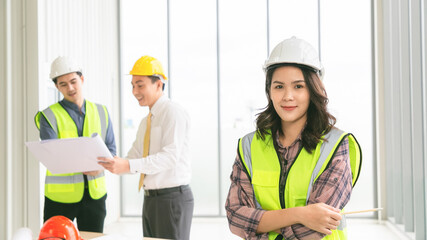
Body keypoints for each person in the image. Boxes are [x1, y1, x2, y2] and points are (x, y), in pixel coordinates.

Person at [225, 36, 362, 240]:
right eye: (279, 86)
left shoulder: (335, 145)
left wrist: (261, 224)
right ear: (269, 91)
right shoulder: (249, 145)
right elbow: (235, 217)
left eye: (298, 86)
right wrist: (301, 214)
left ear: (313, 90)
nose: (288, 96)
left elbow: (315, 228)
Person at [98, 55, 194, 240]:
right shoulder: (146, 122)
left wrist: (127, 165)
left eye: (140, 85)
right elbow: (133, 156)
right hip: (152, 199)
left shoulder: (173, 113)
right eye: (133, 85)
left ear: (158, 84)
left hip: (172, 200)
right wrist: (109, 163)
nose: (135, 91)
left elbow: (170, 157)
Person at [35, 56, 116, 233]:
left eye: (73, 81)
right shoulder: (48, 116)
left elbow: (111, 150)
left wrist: (100, 168)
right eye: (63, 84)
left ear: (82, 79)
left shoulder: (101, 112)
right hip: (60, 199)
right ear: (56, 87)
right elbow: (53, 156)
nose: (70, 88)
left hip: (95, 197)